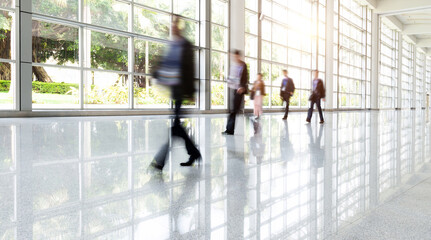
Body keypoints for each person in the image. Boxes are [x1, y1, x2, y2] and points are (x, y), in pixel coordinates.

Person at [150, 15, 201, 170]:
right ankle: (194, 153)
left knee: (175, 127)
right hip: (174, 89)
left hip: (181, 90)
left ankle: (160, 161)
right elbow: (165, 62)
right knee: (177, 126)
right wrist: (155, 73)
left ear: (180, 27)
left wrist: (191, 91)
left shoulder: (185, 45)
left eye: (175, 24)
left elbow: (190, 68)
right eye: (171, 24)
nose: (173, 27)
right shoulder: (171, 44)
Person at [222, 50, 249, 135]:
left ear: (238, 56)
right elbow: (232, 77)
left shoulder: (243, 65)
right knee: (233, 110)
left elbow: (245, 78)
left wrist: (242, 87)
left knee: (234, 110)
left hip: (239, 90)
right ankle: (229, 129)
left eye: (235, 56)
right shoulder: (233, 65)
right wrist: (227, 79)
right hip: (233, 89)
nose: (234, 58)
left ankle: (229, 130)